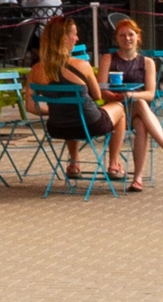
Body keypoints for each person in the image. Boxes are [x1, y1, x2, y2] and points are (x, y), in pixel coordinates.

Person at [98, 15, 163, 186]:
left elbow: (150, 94)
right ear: (117, 38)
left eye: (130, 34)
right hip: (114, 111)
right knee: (141, 109)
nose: (127, 39)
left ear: (138, 37)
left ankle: (137, 178)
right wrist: (115, 96)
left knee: (140, 117)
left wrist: (131, 96)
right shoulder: (108, 59)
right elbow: (101, 90)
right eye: (122, 35)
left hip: (136, 110)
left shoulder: (147, 62)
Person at [24, 14, 111, 181]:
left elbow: (30, 107)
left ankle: (74, 162)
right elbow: (99, 96)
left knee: (72, 112)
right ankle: (114, 164)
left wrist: (56, 111)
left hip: (57, 127)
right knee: (120, 109)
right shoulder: (82, 65)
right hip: (91, 124)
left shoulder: (36, 69)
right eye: (74, 34)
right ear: (64, 37)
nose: (77, 38)